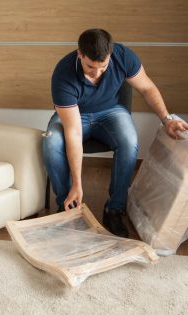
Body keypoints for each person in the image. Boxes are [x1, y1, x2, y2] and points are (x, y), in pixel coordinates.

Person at [43, 28, 188, 238]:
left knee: (129, 140)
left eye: (103, 67)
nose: (97, 73)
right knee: (52, 142)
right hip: (77, 115)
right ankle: (69, 205)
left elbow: (147, 88)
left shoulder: (123, 57)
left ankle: (115, 209)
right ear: (80, 54)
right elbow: (73, 132)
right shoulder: (63, 74)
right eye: (91, 67)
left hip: (110, 112)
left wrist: (167, 120)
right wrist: (77, 183)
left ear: (110, 56)